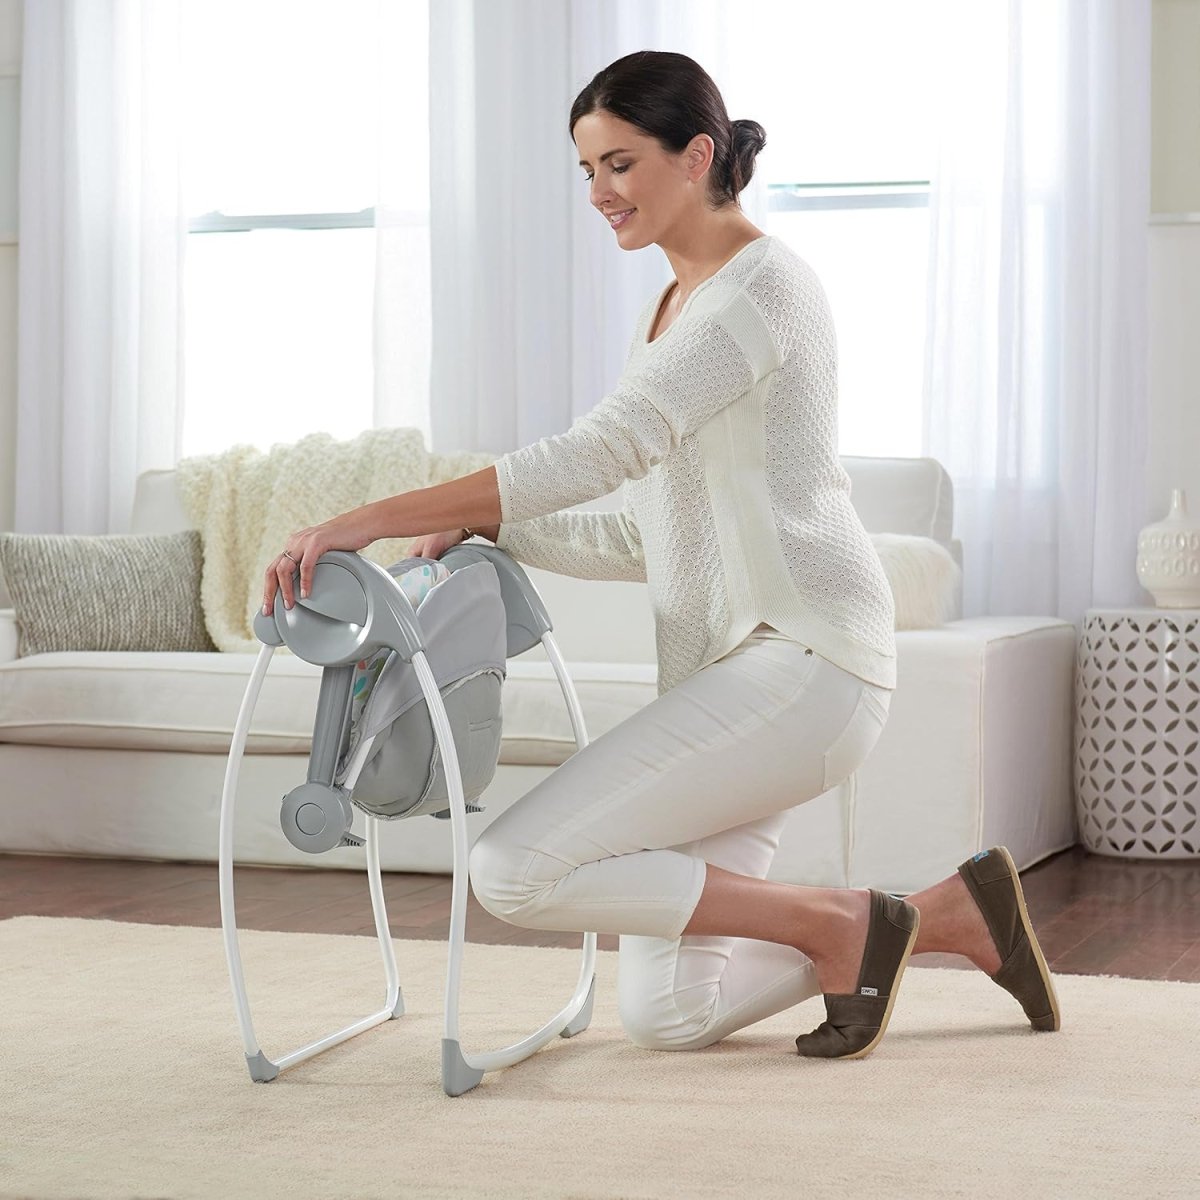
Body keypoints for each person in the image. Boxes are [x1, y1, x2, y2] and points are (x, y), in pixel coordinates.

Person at [261, 50, 1060, 1059]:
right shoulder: (672, 309)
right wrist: (500, 526)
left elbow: (603, 449)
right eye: (587, 169)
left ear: (698, 155)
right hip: (745, 678)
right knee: (672, 1014)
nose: (599, 191)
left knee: (511, 868)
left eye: (620, 164)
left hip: (806, 662)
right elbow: (646, 534)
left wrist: (368, 516)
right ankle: (943, 916)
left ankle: (840, 925)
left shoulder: (758, 293)